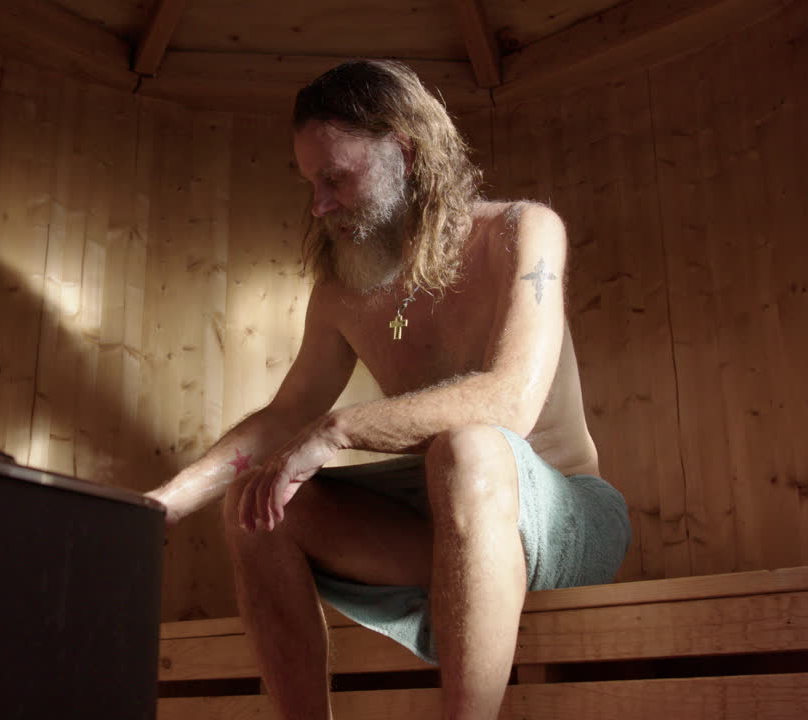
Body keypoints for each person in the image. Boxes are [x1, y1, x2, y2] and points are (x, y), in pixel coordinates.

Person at [146, 60, 631, 720]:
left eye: (335, 178)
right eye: (311, 184)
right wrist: (165, 504)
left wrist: (339, 430)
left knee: (468, 449)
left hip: (564, 518)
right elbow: (286, 413)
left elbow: (510, 403)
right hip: (438, 523)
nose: (319, 205)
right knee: (256, 503)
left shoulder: (522, 230)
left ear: (402, 152)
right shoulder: (342, 293)